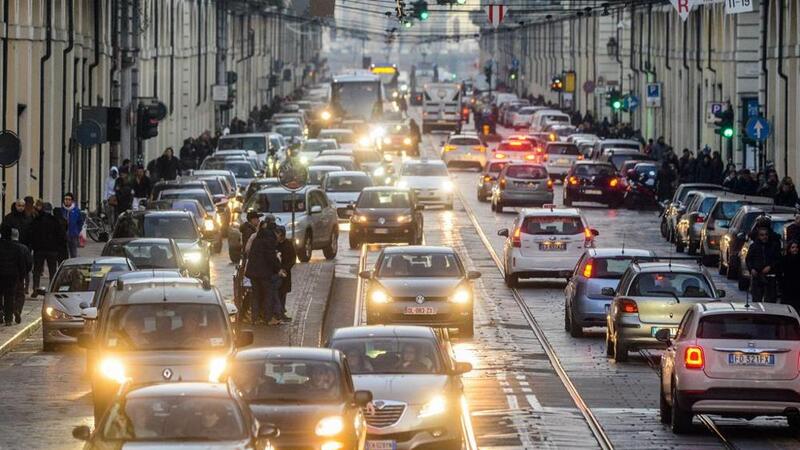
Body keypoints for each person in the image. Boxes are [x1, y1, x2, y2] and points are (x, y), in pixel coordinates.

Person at [244, 224, 282, 325]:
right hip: (264, 273)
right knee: (267, 295)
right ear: (275, 232)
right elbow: (271, 257)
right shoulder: (269, 240)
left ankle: (255, 318)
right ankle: (268, 318)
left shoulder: (258, 238)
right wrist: (278, 268)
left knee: (255, 295)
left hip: (253, 272)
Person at [29, 203, 67, 293]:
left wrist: (34, 246)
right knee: (52, 270)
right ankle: (52, 288)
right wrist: (57, 247)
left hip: (39, 250)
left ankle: (35, 288)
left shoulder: (36, 220)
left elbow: (31, 234)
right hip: (52, 250)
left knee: (37, 270)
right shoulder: (55, 221)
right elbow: (61, 235)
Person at [0, 224, 28, 326]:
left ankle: (0, 313)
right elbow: (21, 263)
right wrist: (22, 276)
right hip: (12, 276)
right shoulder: (17, 247)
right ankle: (8, 318)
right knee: (9, 296)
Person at [746, 225, 781, 302]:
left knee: (770, 301)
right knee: (756, 300)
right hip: (757, 276)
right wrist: (751, 269)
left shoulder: (773, 246)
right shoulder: (754, 246)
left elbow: (778, 259)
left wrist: (770, 266)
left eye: (766, 235)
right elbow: (748, 259)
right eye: (762, 235)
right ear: (758, 236)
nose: (764, 237)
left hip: (770, 276)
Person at [10, 229, 32, 323]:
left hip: (5, 275)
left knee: (8, 294)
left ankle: (6, 312)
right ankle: (17, 309)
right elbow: (29, 263)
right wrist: (25, 273)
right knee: (20, 294)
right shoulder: (23, 248)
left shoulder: (4, 246)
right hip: (19, 275)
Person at [275, 225, 295, 322]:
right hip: (276, 272)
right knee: (277, 293)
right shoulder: (275, 244)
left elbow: (292, 259)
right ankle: (279, 312)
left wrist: (285, 269)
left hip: (286, 273)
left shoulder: (288, 244)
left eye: (278, 234)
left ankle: (281, 312)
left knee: (283, 293)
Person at [61, 192, 84, 258]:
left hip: (73, 235)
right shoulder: (61, 210)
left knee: (73, 253)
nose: (67, 201)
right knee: (64, 254)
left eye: (69, 199)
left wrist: (77, 231)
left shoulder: (76, 210)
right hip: (63, 235)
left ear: (72, 201)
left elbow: (80, 222)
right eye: (65, 199)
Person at [779, 241, 800, 309]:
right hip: (787, 287)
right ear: (789, 249)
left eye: (796, 247)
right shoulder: (785, 259)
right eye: (793, 247)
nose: (795, 249)